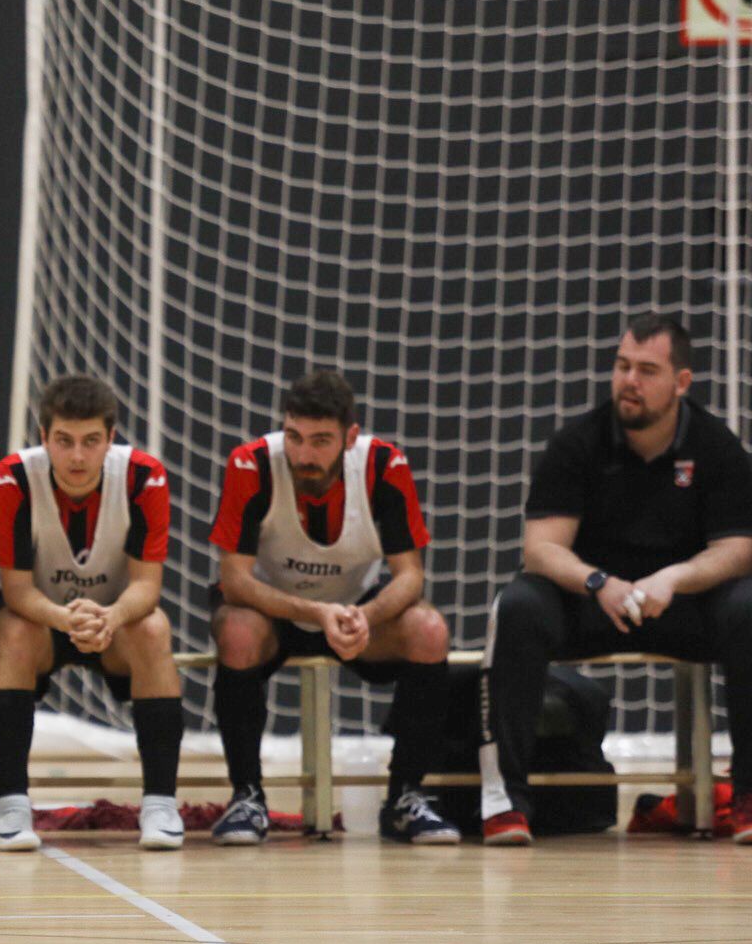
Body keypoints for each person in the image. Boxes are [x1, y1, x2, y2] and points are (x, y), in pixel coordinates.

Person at [481, 314, 752, 846]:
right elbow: (540, 549)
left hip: (680, 602)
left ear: (681, 382)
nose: (629, 380)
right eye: (623, 365)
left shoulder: (716, 446)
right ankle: (505, 801)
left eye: (647, 370)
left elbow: (739, 549)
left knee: (750, 608)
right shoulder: (577, 443)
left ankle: (747, 796)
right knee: (517, 607)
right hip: (591, 599)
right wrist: (598, 582)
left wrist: (674, 578)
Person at [206, 370, 459, 846]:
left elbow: (410, 576)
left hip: (354, 610)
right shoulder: (251, 464)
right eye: (295, 437)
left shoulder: (385, 466)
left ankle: (405, 797)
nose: (304, 454)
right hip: (271, 608)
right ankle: (247, 796)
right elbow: (234, 579)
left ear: (351, 436)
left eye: (321, 441)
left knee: (429, 630)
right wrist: (317, 612)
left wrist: (366, 616)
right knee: (236, 631)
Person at [0, 376, 185, 852]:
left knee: (154, 629)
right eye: (64, 441)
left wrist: (110, 618)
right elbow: (15, 589)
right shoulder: (13, 477)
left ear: (110, 438)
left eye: (91, 441)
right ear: (43, 437)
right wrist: (64, 619)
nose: (77, 456)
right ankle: (12, 803)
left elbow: (146, 587)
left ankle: (160, 803)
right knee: (14, 632)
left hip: (115, 614)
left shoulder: (144, 477)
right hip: (37, 614)